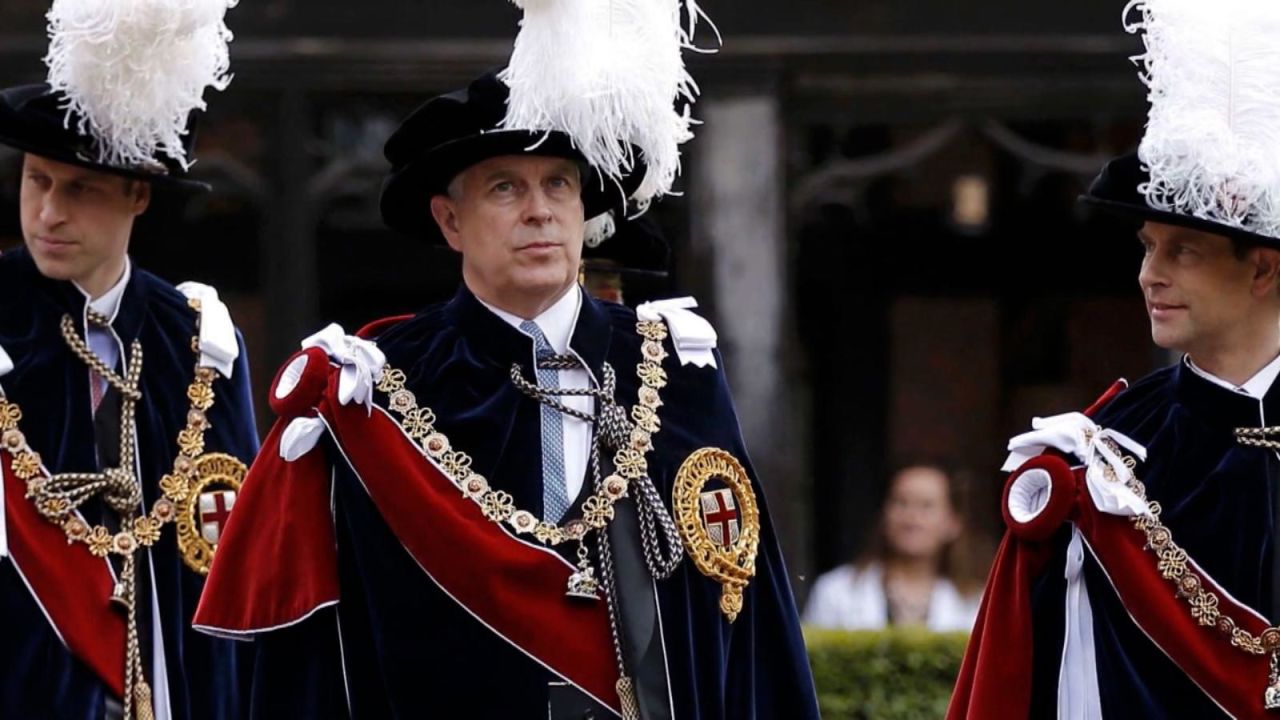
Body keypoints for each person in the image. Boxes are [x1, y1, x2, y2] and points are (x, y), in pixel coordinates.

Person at [194, 4, 820, 718]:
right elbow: (318, 655)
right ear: (450, 221)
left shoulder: (674, 370)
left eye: (559, 183)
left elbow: (747, 607)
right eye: (505, 187)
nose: (540, 210)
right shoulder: (376, 389)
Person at [949, 1, 1280, 717]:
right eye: (1147, 248)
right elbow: (1015, 686)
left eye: (1181, 251)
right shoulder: (1097, 460)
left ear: (1261, 271)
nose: (1149, 275)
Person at [0, 2, 257, 719]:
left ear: (138, 195)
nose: (49, 212)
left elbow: (233, 552)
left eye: (79, 190)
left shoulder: (198, 340)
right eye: (37, 181)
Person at [804, 462, 981, 632]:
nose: (912, 518)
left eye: (926, 506)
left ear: (953, 523)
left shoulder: (977, 603)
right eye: (901, 503)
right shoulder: (835, 591)